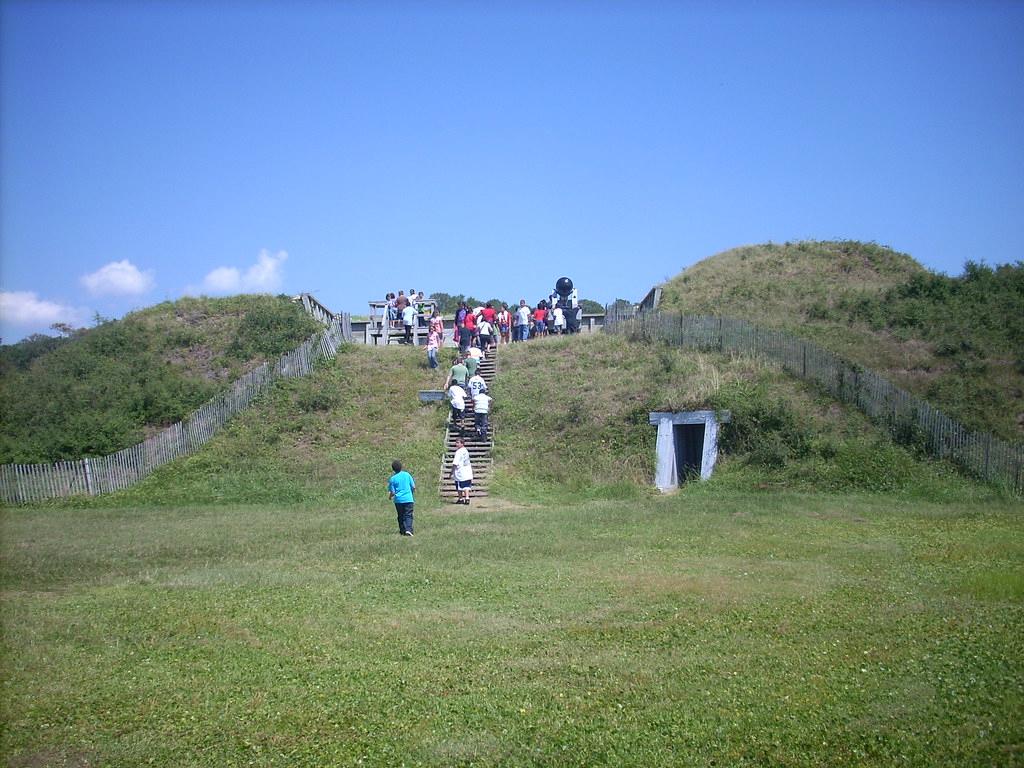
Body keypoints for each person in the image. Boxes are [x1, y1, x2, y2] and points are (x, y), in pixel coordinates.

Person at [387, 459, 416, 536]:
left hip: (398, 501)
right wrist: (411, 494)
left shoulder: (392, 479)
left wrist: (390, 497)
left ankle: (402, 530)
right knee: (408, 514)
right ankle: (408, 529)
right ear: (401, 467)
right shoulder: (407, 475)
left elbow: (392, 492)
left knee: (400, 515)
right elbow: (413, 487)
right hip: (408, 499)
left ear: (393, 469)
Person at [450, 438, 473, 505]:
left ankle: (461, 498)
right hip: (467, 470)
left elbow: (455, 463)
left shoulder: (459, 452)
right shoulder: (465, 450)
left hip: (460, 471)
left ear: (462, 443)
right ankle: (467, 498)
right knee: (466, 485)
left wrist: (451, 472)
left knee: (459, 485)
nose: (456, 444)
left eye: (458, 442)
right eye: (456, 442)